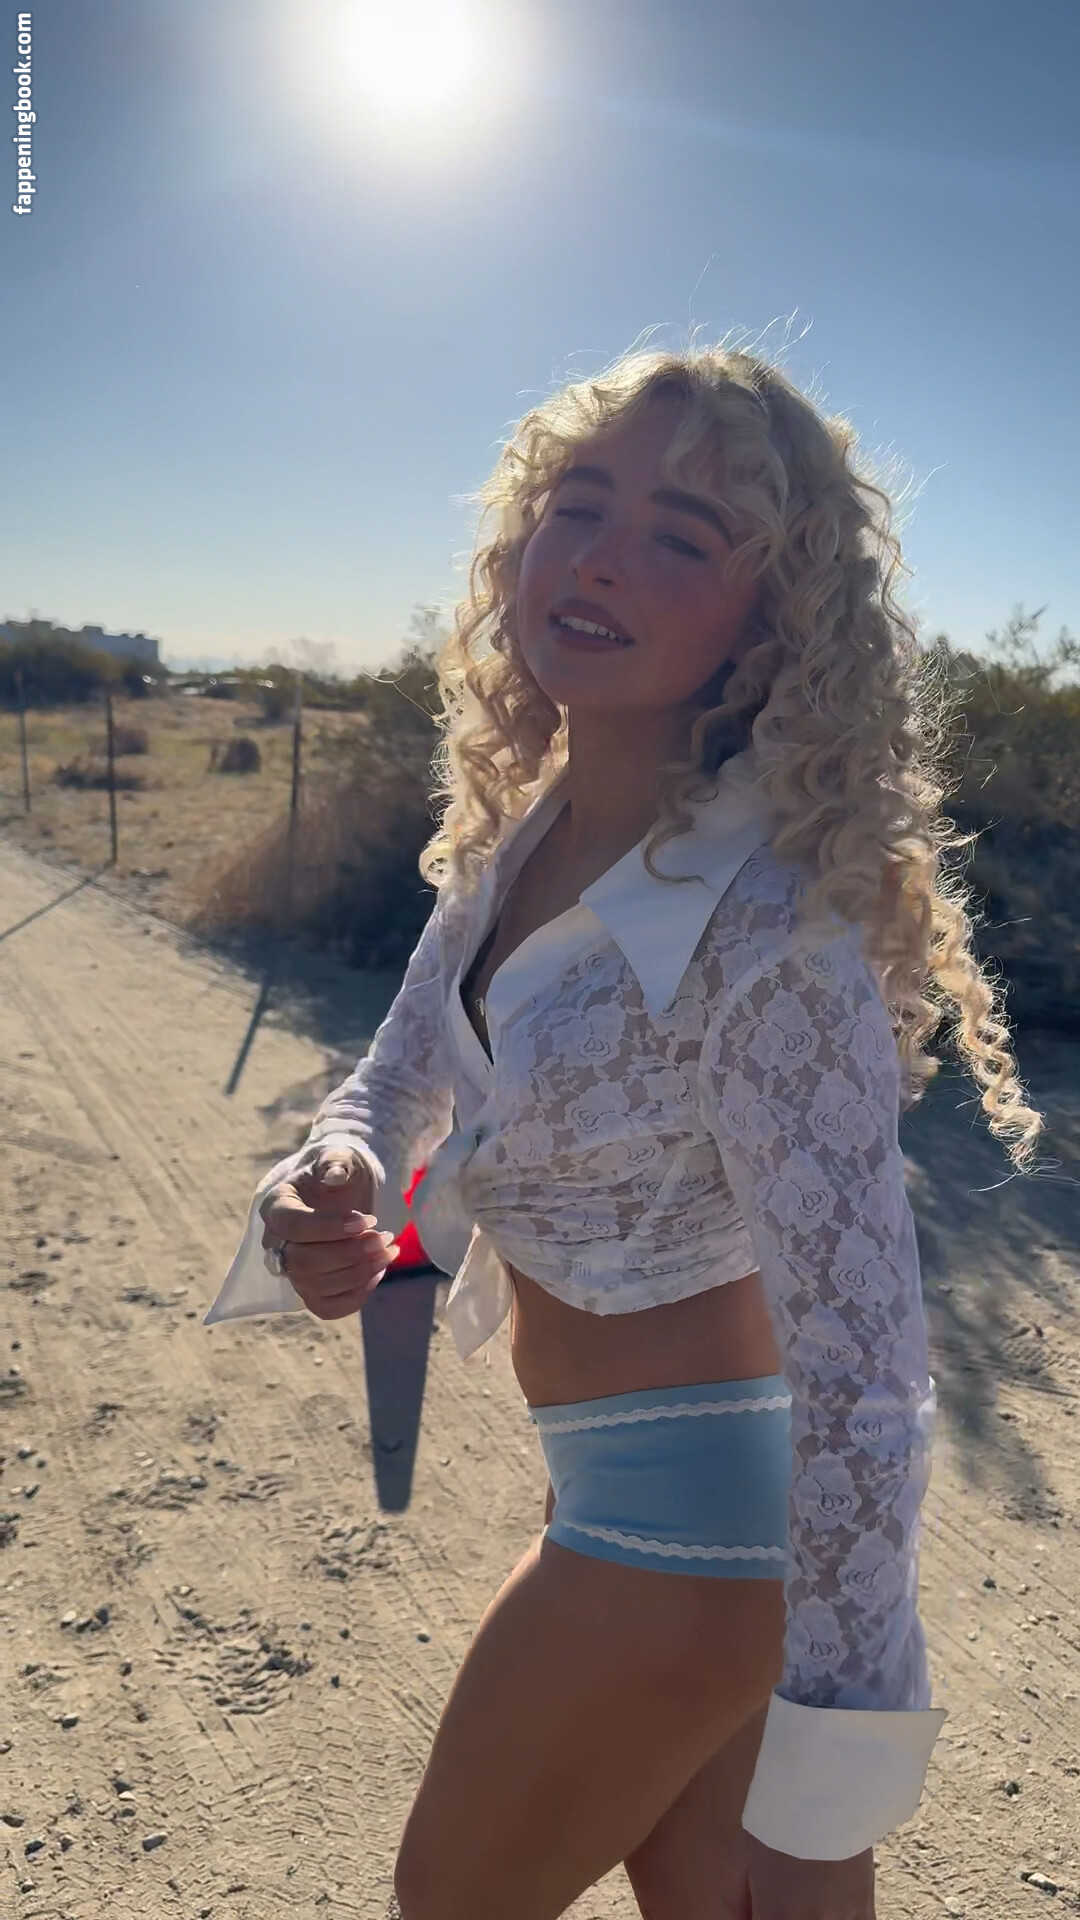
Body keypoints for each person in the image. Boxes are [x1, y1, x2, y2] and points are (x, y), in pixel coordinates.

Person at [206, 341, 1044, 1919]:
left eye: (682, 535)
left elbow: (869, 1377)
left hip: (699, 1529)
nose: (598, 557)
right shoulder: (516, 840)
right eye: (579, 505)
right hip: (615, 1491)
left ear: (768, 621)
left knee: (451, 1902)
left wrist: (827, 1792)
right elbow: (396, 1073)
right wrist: (338, 1173)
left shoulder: (770, 935)